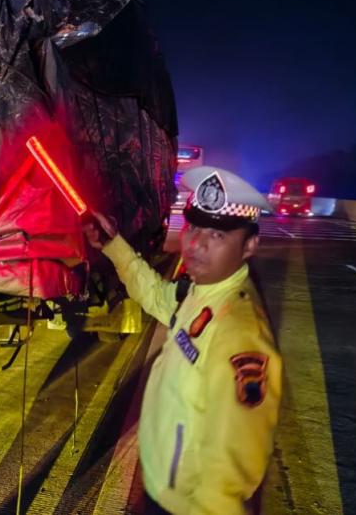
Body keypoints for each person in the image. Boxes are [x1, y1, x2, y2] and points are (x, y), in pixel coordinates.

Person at [84, 166, 282, 515]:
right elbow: (156, 296)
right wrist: (113, 245)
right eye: (194, 227)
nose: (197, 244)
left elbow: (228, 473)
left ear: (250, 245)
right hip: (163, 490)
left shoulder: (240, 335)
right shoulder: (204, 292)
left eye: (218, 236)